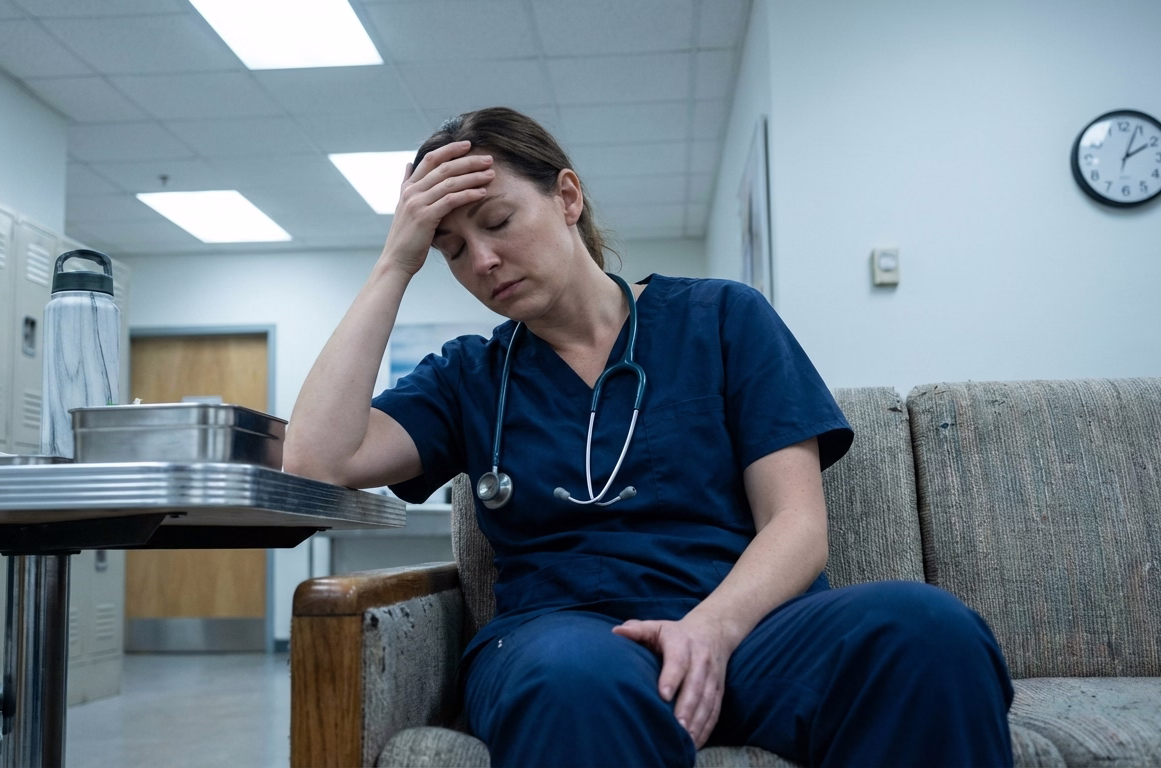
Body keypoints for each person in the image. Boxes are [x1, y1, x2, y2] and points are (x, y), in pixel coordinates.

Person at [284, 107, 1014, 768]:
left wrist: (712, 629)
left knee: (927, 630)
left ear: (567, 198)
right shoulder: (471, 377)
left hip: (751, 627)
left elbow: (797, 525)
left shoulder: (724, 320)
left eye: (497, 222)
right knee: (575, 681)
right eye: (449, 248)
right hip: (563, 639)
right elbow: (317, 458)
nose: (480, 261)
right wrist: (394, 262)